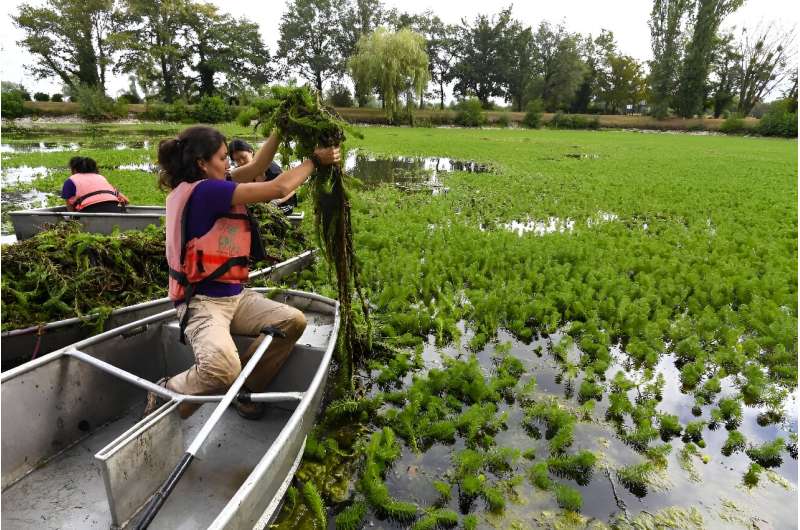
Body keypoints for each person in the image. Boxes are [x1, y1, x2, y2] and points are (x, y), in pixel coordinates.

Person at [147, 125, 339, 420]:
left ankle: (244, 389)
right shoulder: (207, 191)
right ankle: (166, 392)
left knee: (292, 321)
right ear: (202, 163)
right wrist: (315, 161)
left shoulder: (212, 181)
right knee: (220, 368)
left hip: (234, 297)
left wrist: (279, 129)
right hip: (202, 303)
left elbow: (259, 166)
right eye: (224, 158)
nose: (229, 164)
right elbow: (280, 188)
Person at [228, 138, 298, 215]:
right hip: (263, 203)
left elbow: (292, 189)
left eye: (244, 157)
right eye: (237, 160)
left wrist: (277, 201)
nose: (241, 162)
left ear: (251, 152)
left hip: (282, 203)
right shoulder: (240, 172)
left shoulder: (271, 168)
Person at [61, 156, 129, 212]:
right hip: (114, 210)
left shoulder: (70, 180)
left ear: (74, 170)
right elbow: (126, 200)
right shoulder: (101, 177)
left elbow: (69, 206)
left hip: (89, 211)